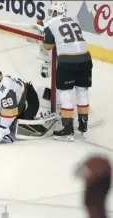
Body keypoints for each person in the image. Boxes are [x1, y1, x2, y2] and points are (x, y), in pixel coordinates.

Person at [42, 1, 93, 141]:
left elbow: (47, 46)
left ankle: (67, 130)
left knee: (66, 94)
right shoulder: (74, 19)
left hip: (68, 62)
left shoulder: (50, 23)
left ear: (54, 12)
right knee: (82, 92)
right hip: (86, 59)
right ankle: (83, 127)